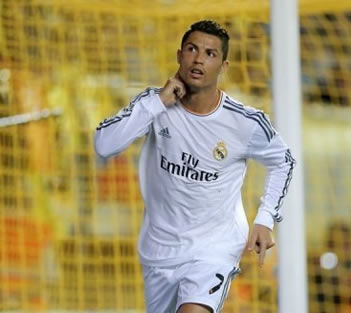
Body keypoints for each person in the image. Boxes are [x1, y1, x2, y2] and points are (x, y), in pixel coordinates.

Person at [93, 20, 295, 313]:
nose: (199, 59)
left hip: (214, 249)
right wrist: (157, 104)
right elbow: (104, 145)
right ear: (179, 56)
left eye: (210, 54)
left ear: (223, 66)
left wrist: (265, 218)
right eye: (192, 49)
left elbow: (283, 160)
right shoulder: (154, 103)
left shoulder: (245, 122)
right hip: (159, 251)